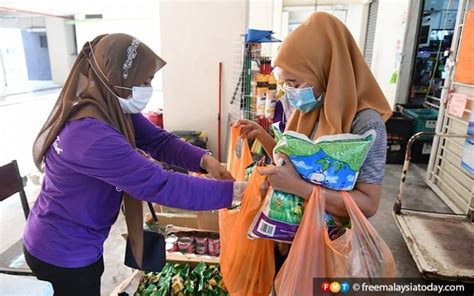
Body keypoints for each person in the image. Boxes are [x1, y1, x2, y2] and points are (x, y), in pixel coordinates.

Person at [23, 33, 244, 295]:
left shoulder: (109, 107)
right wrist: (235, 193)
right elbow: (159, 184)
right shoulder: (90, 135)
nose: (147, 90)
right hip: (62, 250)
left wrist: (204, 159)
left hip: (79, 237)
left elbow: (157, 140)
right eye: (143, 82)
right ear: (117, 78)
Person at [236, 12, 392, 270]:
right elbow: (300, 163)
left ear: (325, 71)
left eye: (294, 82)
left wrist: (301, 189)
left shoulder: (365, 125)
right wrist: (263, 137)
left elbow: (368, 203)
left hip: (333, 246)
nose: (290, 91)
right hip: (291, 234)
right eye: (285, 83)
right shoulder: (308, 109)